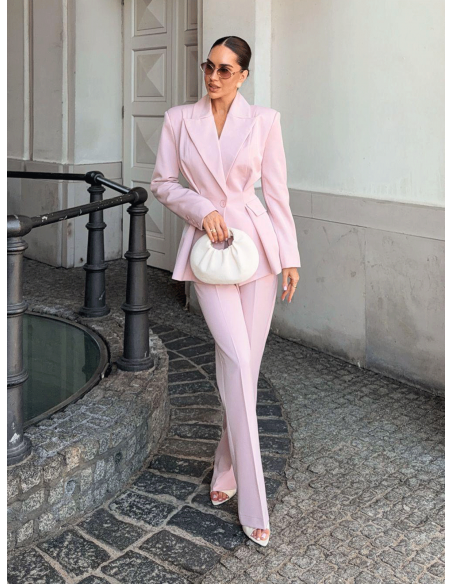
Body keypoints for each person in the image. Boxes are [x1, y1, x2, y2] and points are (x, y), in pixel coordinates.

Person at [150, 35, 300, 546]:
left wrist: (290, 256)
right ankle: (254, 503)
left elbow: (276, 193)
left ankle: (225, 463)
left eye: (225, 69)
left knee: (245, 370)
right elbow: (163, 182)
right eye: (208, 66)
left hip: (258, 252)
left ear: (243, 75)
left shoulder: (265, 121)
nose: (213, 77)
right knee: (236, 359)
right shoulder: (178, 119)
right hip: (208, 253)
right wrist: (202, 209)